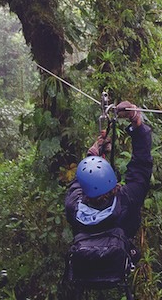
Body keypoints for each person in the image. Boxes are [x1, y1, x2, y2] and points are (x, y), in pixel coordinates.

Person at [65, 100, 153, 255]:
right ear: (112, 180)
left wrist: (93, 156)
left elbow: (79, 182)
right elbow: (141, 167)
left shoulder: (73, 207)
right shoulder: (126, 201)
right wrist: (137, 123)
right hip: (118, 270)